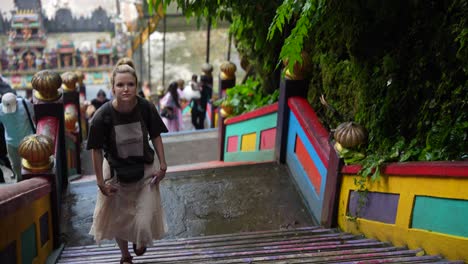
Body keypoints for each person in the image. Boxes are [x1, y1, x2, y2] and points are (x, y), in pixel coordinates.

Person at [87, 59, 169, 264]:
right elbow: (95, 150)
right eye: (120, 85)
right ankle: (125, 255)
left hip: (145, 169)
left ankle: (140, 238)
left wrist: (163, 164)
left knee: (144, 217)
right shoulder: (102, 116)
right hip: (115, 173)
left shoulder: (146, 107)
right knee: (119, 218)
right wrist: (100, 182)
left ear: (137, 86)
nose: (126, 89)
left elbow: (156, 134)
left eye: (130, 84)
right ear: (112, 87)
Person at [0, 92, 35, 181]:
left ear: (16, 102)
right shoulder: (0, 109)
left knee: (28, 163)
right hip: (10, 142)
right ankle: (19, 179)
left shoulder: (24, 103)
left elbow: (34, 116)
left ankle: (29, 182)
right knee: (15, 165)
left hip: (27, 140)